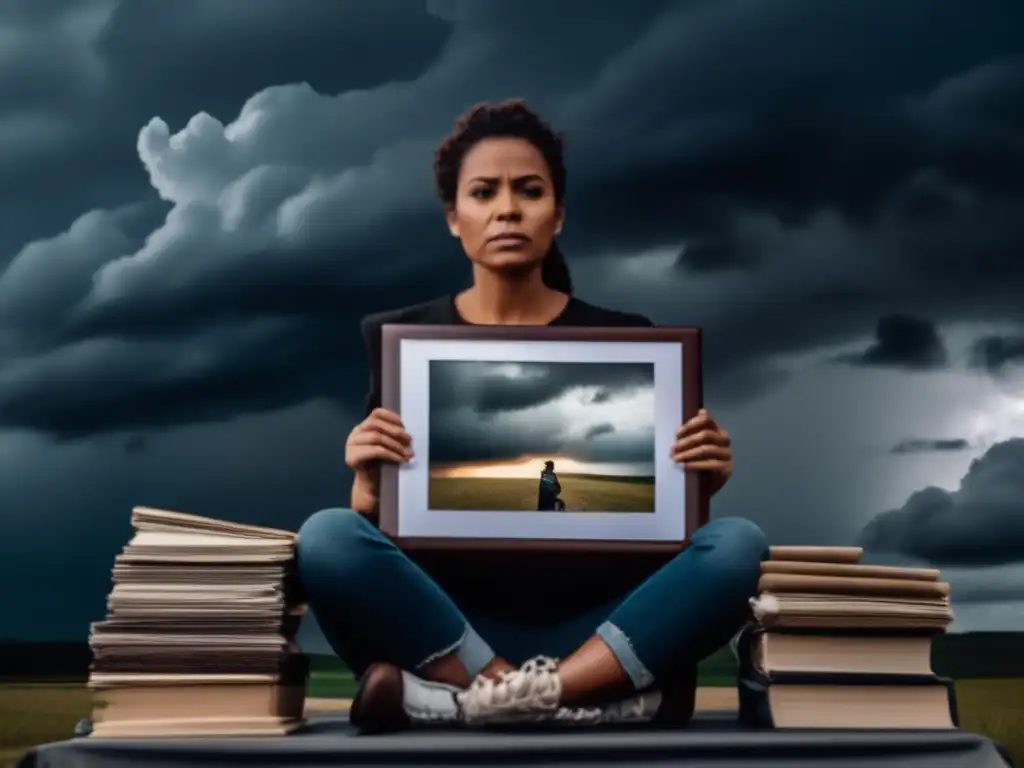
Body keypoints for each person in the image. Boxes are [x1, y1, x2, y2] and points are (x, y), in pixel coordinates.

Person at [296, 100, 767, 732]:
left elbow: (660, 546)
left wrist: (695, 487)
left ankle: (469, 705)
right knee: (327, 536)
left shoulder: (630, 341)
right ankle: (566, 698)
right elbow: (382, 536)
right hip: (454, 630)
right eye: (484, 192)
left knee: (738, 545)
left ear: (559, 214)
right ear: (453, 218)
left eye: (529, 191)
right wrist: (366, 489)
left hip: (595, 629)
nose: (508, 209)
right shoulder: (405, 342)